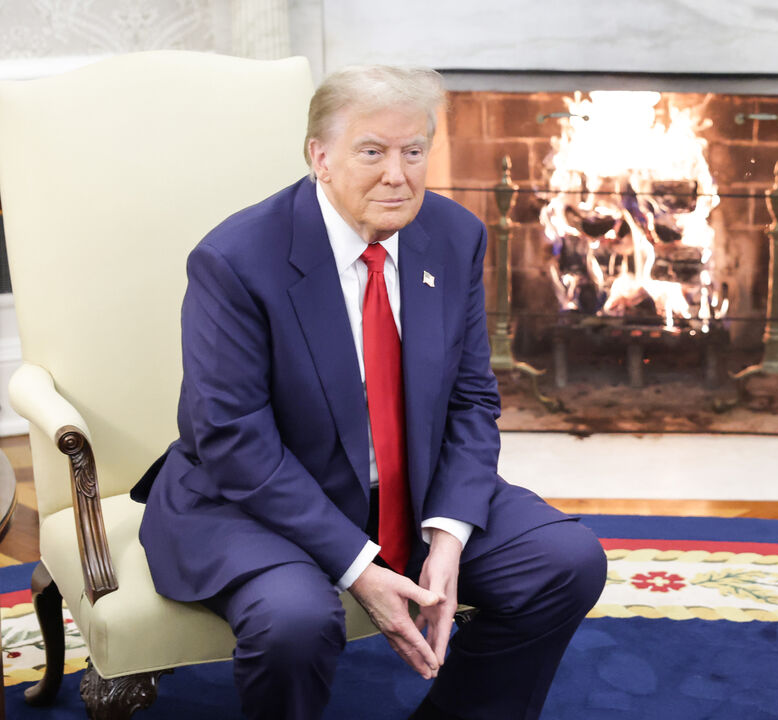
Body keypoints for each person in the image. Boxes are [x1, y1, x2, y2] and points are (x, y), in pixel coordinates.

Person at [131, 65, 606, 720]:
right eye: (373, 151)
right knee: (294, 621)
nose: (398, 174)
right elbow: (234, 442)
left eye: (414, 151)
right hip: (253, 503)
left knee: (565, 560)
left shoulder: (453, 235)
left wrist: (447, 536)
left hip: (403, 490)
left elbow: (472, 397)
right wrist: (358, 565)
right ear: (319, 157)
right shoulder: (236, 260)